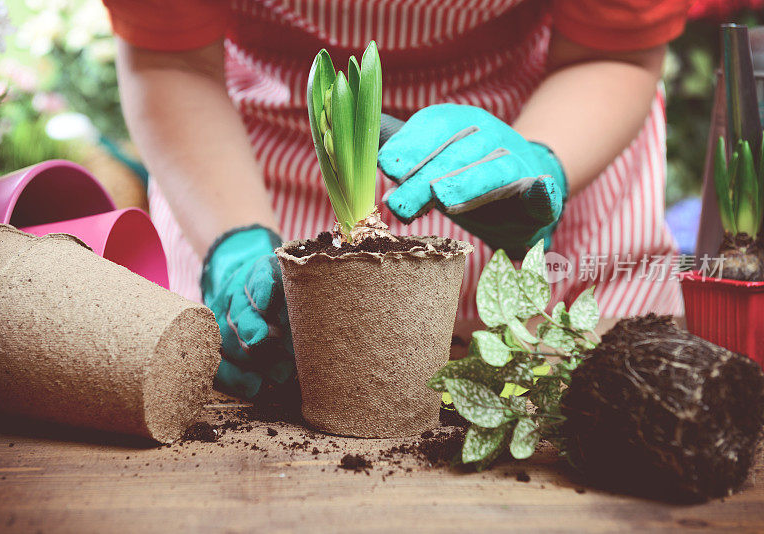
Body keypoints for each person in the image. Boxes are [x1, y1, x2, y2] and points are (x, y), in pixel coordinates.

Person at [102, 0, 691, 397]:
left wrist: (544, 160)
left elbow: (613, 47)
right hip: (249, 157)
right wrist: (231, 241)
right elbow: (169, 55)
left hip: (546, 120)